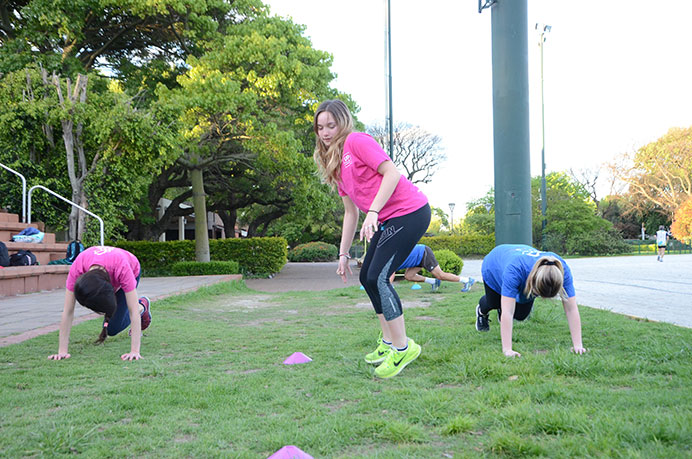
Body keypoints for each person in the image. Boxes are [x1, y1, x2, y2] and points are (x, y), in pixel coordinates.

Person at [314, 99, 430, 378]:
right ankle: (389, 342)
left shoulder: (356, 141)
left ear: (343, 122)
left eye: (331, 125)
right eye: (320, 127)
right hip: (388, 218)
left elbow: (391, 172)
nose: (326, 132)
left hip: (410, 212)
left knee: (379, 276)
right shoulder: (336, 164)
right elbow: (350, 213)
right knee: (367, 276)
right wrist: (342, 255)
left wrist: (374, 211)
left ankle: (403, 349)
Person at [475, 244, 586, 358]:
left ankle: (503, 305)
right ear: (534, 282)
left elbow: (571, 309)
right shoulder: (515, 270)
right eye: (538, 294)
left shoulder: (562, 270)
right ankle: (481, 311)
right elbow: (508, 312)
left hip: (519, 267)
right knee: (494, 303)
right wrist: (507, 349)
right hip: (494, 265)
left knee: (520, 315)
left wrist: (578, 345)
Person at [48, 246, 152, 361]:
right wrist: (62, 351)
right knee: (111, 328)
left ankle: (142, 306)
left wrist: (134, 351)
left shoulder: (122, 268)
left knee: (114, 327)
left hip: (131, 267)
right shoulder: (78, 268)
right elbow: (67, 311)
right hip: (109, 272)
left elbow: (133, 312)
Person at [388, 244, 476, 292]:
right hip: (416, 260)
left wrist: (387, 289)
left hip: (423, 253)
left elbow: (390, 274)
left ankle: (467, 280)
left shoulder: (387, 259)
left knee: (440, 275)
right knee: (409, 276)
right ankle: (434, 282)